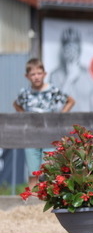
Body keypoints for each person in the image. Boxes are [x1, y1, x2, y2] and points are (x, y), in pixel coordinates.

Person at [13, 58, 75, 188]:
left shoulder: (52, 90)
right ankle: (31, 199)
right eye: (33, 74)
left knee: (47, 173)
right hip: (31, 137)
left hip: (49, 137)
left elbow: (70, 101)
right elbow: (16, 104)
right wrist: (24, 116)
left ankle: (45, 198)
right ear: (27, 76)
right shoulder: (25, 93)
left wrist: (60, 116)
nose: (36, 77)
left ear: (44, 74)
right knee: (33, 174)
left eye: (39, 73)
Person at [49, 27, 93, 111]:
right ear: (63, 50)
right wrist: (69, 79)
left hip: (85, 119)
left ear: (79, 50)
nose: (71, 52)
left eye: (74, 48)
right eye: (68, 48)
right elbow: (56, 107)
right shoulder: (55, 76)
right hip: (65, 119)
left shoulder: (89, 74)